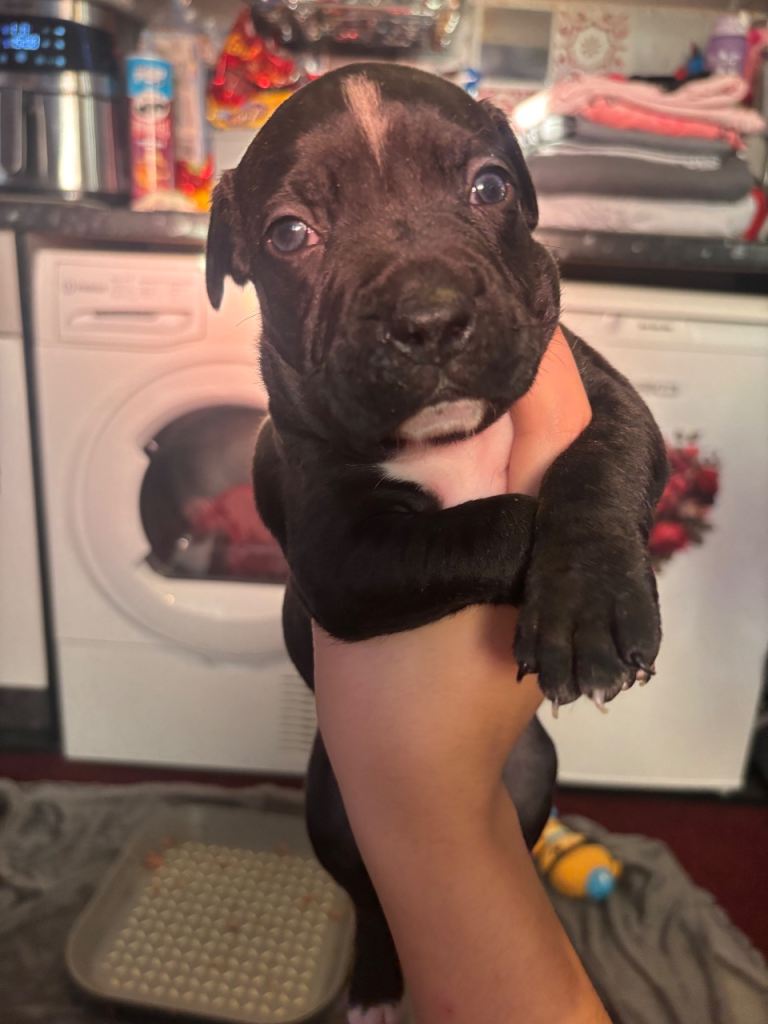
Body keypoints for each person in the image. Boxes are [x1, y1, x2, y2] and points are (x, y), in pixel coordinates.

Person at [312, 329, 612, 1024]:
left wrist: (585, 545)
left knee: (521, 788)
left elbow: (623, 439)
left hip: (487, 713)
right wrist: (538, 537)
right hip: (366, 720)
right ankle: (377, 945)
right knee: (345, 826)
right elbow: (337, 567)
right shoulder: (307, 418)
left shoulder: (531, 340)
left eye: (483, 206)